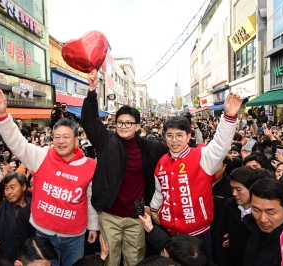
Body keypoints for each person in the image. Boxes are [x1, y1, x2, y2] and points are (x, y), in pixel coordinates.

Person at [0, 88, 99, 266]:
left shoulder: (90, 165)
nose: (61, 141)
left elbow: (90, 198)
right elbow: (17, 143)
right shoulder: (41, 156)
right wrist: (4, 117)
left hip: (75, 236)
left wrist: (93, 225)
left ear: (77, 139)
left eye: (66, 137)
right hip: (44, 234)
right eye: (56, 136)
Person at [81, 70, 168, 265]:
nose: (124, 126)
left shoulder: (150, 148)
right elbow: (89, 121)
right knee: (110, 261)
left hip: (137, 218)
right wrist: (92, 91)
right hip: (110, 216)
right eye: (120, 122)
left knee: (135, 261)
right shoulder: (106, 142)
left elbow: (177, 151)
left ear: (138, 126)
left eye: (129, 123)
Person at [149, 92, 242, 259]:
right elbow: (160, 191)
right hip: (169, 234)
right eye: (169, 136)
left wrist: (229, 116)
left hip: (198, 236)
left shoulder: (202, 156)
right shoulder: (161, 162)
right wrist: (154, 209)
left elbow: (221, 145)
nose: (174, 140)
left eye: (179, 135)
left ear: (188, 136)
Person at [215, 167, 260, 266]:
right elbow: (221, 236)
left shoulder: (262, 211)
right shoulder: (230, 204)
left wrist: (236, 239)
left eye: (239, 189)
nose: (234, 193)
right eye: (232, 188)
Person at [0, 172, 30, 263]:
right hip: (7, 259)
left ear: (23, 187)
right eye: (6, 188)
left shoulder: (34, 206)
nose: (9, 192)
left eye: (12, 187)